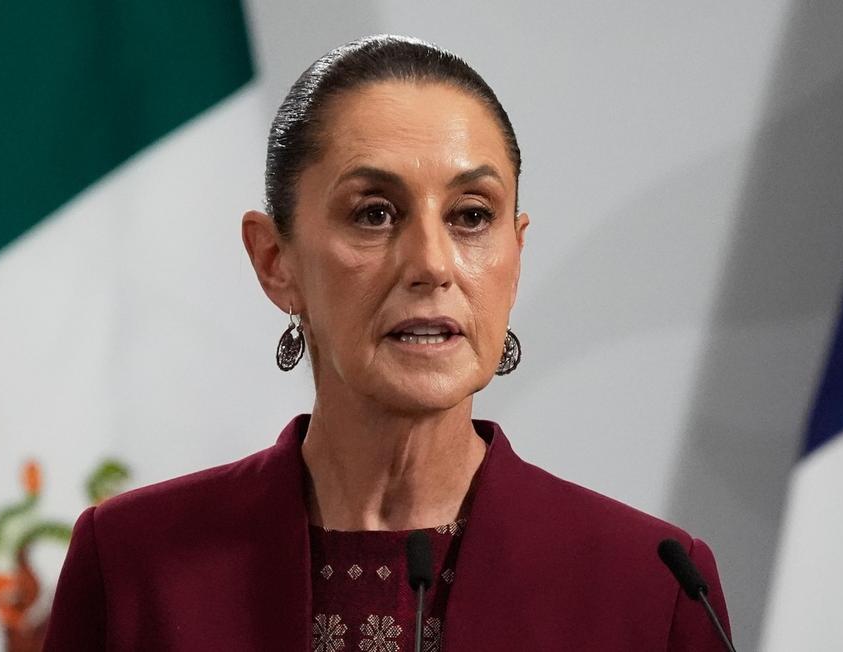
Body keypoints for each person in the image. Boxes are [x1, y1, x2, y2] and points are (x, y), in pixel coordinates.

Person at [43, 35, 732, 651]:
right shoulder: (131, 563)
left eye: (470, 216)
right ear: (275, 261)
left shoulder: (653, 587)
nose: (431, 264)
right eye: (374, 213)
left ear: (515, 256)